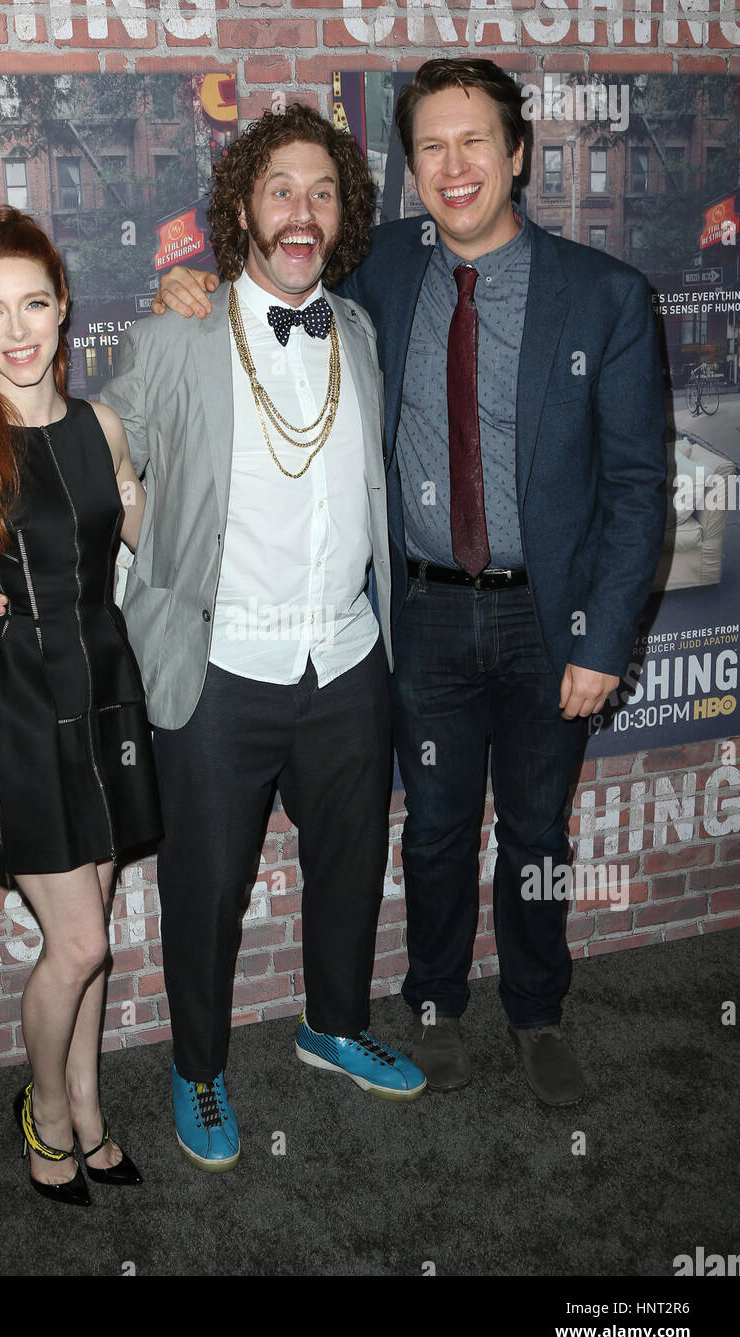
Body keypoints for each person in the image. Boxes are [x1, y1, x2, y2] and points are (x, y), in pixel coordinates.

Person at [152, 59, 669, 1107]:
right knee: (432, 828)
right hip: (418, 612)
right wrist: (190, 287)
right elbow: (271, 280)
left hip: (546, 619)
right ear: (408, 171)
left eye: (473, 140)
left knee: (537, 832)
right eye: (429, 146)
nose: (452, 165)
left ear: (517, 153)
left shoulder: (603, 297)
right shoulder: (379, 269)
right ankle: (432, 1002)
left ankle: (536, 1009)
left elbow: (635, 485)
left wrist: (601, 640)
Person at [0, 105, 426, 1173]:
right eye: (279, 191)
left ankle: (333, 1022)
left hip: (348, 656)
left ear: (344, 212)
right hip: (217, 667)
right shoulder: (177, 333)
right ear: (242, 212)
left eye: (321, 191)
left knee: (350, 868)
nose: (300, 211)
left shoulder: (355, 327)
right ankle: (198, 1066)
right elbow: (76, 449)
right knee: (204, 888)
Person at [0, 206, 161, 1205]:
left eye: (36, 305)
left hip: (108, 690)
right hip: (17, 706)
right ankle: (45, 1116)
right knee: (81, 944)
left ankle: (89, 1111)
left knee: (94, 926)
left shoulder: (101, 427)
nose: (17, 331)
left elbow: (156, 541)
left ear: (64, 309)